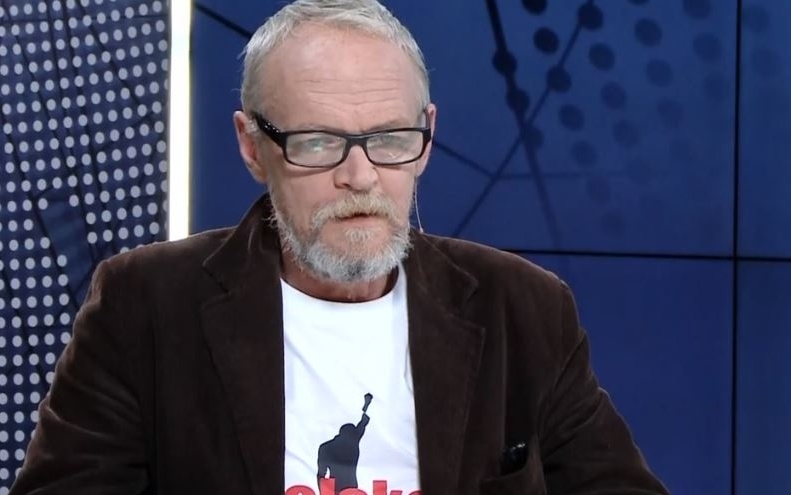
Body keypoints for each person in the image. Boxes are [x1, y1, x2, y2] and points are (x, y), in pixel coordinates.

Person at [10, 1, 669, 494]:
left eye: (389, 139)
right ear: (252, 147)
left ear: (427, 137)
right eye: (319, 142)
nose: (360, 176)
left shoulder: (523, 310)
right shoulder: (143, 306)